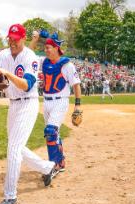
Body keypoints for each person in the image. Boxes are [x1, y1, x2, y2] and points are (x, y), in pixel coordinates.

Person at [0, 24, 59, 204]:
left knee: (13, 148)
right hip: (13, 104)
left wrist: (6, 74)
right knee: (17, 147)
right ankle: (47, 168)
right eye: (10, 39)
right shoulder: (3, 55)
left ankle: (10, 195)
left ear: (23, 38)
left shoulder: (30, 56)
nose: (12, 42)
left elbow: (26, 85)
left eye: (15, 38)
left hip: (28, 103)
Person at [29, 30, 82, 184]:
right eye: (45, 48)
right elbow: (29, 54)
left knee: (50, 131)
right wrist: (35, 39)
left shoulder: (67, 65)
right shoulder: (43, 61)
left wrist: (77, 106)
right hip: (46, 101)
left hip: (60, 101)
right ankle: (60, 161)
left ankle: (52, 166)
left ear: (57, 48)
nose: (46, 50)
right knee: (52, 135)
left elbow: (76, 85)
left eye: (48, 47)